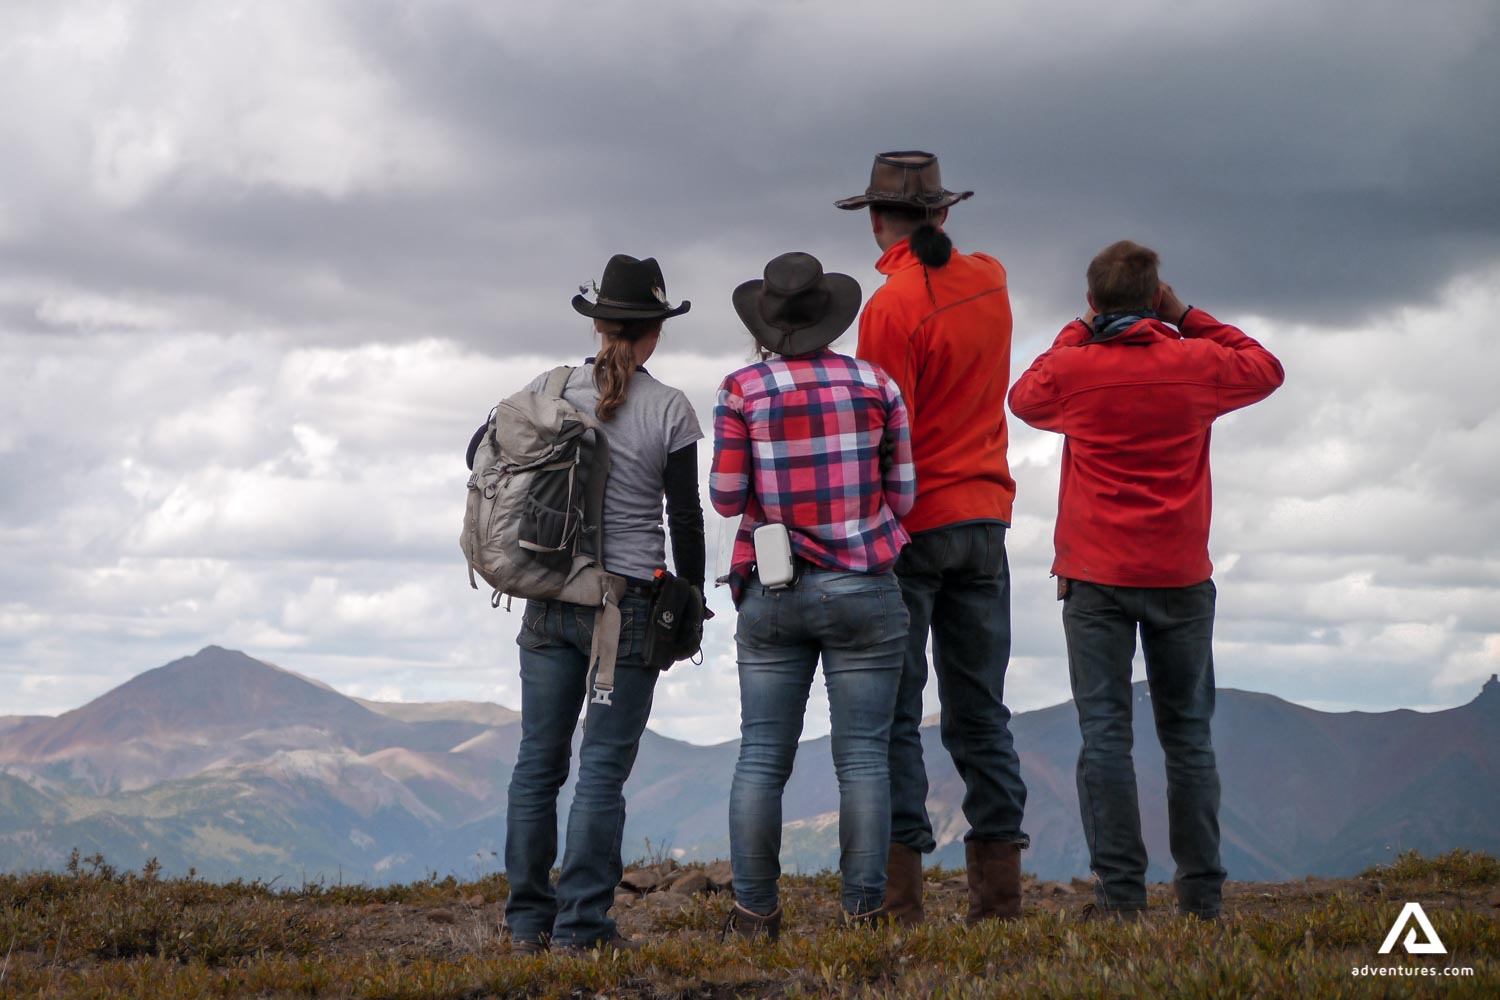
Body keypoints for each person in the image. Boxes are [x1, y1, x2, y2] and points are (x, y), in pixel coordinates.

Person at [1008, 240, 1284, 920]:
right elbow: (1267, 367)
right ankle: (1201, 898)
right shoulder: (1200, 364)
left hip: (1095, 576)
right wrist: (1186, 315)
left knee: (1104, 736)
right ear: (1156, 295)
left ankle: (1120, 898)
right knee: (1188, 737)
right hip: (1181, 574)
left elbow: (1023, 396)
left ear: (1093, 301)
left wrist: (1079, 327)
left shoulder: (1075, 370)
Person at [477, 254, 705, 954]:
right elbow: (686, 519)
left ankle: (525, 925)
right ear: (654, 332)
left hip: (548, 599)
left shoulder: (547, 390)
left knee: (537, 765)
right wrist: (689, 602)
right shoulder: (669, 408)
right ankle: (583, 928)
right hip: (627, 607)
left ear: (601, 323)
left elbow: (477, 457)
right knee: (602, 771)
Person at [837, 151, 1027, 924]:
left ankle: (899, 898)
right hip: (985, 518)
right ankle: (998, 901)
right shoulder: (994, 279)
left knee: (895, 711)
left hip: (913, 529)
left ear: (878, 221)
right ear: (945, 214)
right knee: (981, 709)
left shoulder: (889, 308)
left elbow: (885, 433)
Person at [712, 252, 915, 938]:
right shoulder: (875, 384)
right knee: (863, 758)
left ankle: (754, 913)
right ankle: (863, 915)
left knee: (762, 756)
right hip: (864, 586)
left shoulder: (742, 389)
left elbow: (724, 498)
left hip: (776, 587)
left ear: (767, 321)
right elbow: (906, 496)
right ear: (830, 316)